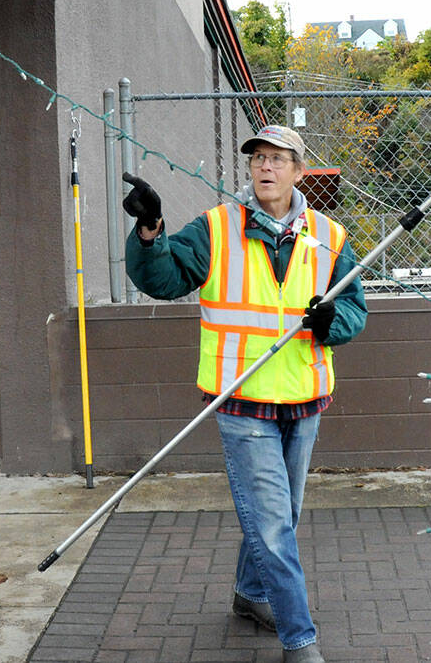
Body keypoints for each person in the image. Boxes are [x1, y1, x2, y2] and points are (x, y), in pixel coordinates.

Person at [122, 124, 367, 663]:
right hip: (240, 400)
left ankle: (251, 594)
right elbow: (163, 278)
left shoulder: (330, 236)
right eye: (258, 157)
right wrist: (149, 231)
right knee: (274, 524)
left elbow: (354, 313)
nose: (266, 167)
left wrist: (330, 321)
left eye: (279, 159)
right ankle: (300, 641)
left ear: (299, 172)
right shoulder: (215, 228)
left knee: (283, 513)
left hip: (303, 399)